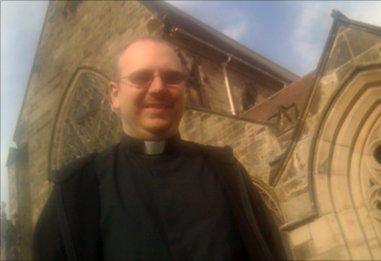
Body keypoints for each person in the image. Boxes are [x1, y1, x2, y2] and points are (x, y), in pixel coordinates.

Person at [32, 37, 287, 260]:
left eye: (172, 78)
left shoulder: (227, 173)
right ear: (114, 95)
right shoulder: (76, 189)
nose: (158, 88)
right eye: (140, 78)